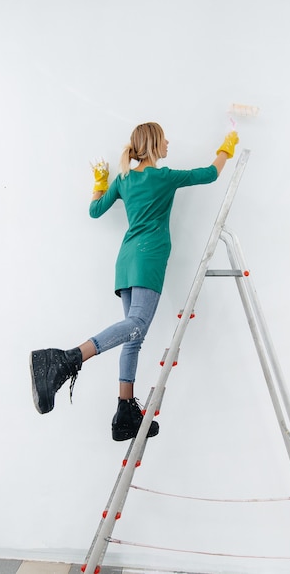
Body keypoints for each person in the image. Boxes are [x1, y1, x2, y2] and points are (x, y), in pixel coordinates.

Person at [30, 122, 239, 441]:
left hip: (126, 261)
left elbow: (95, 209)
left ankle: (125, 409)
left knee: (134, 336)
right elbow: (210, 174)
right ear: (155, 143)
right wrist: (227, 146)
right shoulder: (163, 177)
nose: (169, 142)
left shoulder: (125, 179)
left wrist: (100, 181)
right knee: (138, 324)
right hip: (149, 257)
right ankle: (69, 357)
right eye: (165, 138)